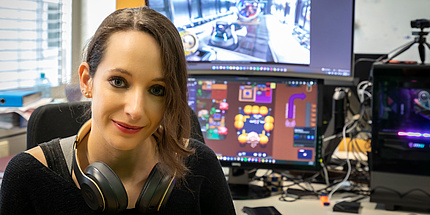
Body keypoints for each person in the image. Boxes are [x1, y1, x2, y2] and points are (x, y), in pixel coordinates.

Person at [0, 7, 236, 214]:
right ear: (87, 80)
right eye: (119, 82)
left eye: (157, 90)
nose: (135, 110)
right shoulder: (28, 177)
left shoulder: (201, 167)